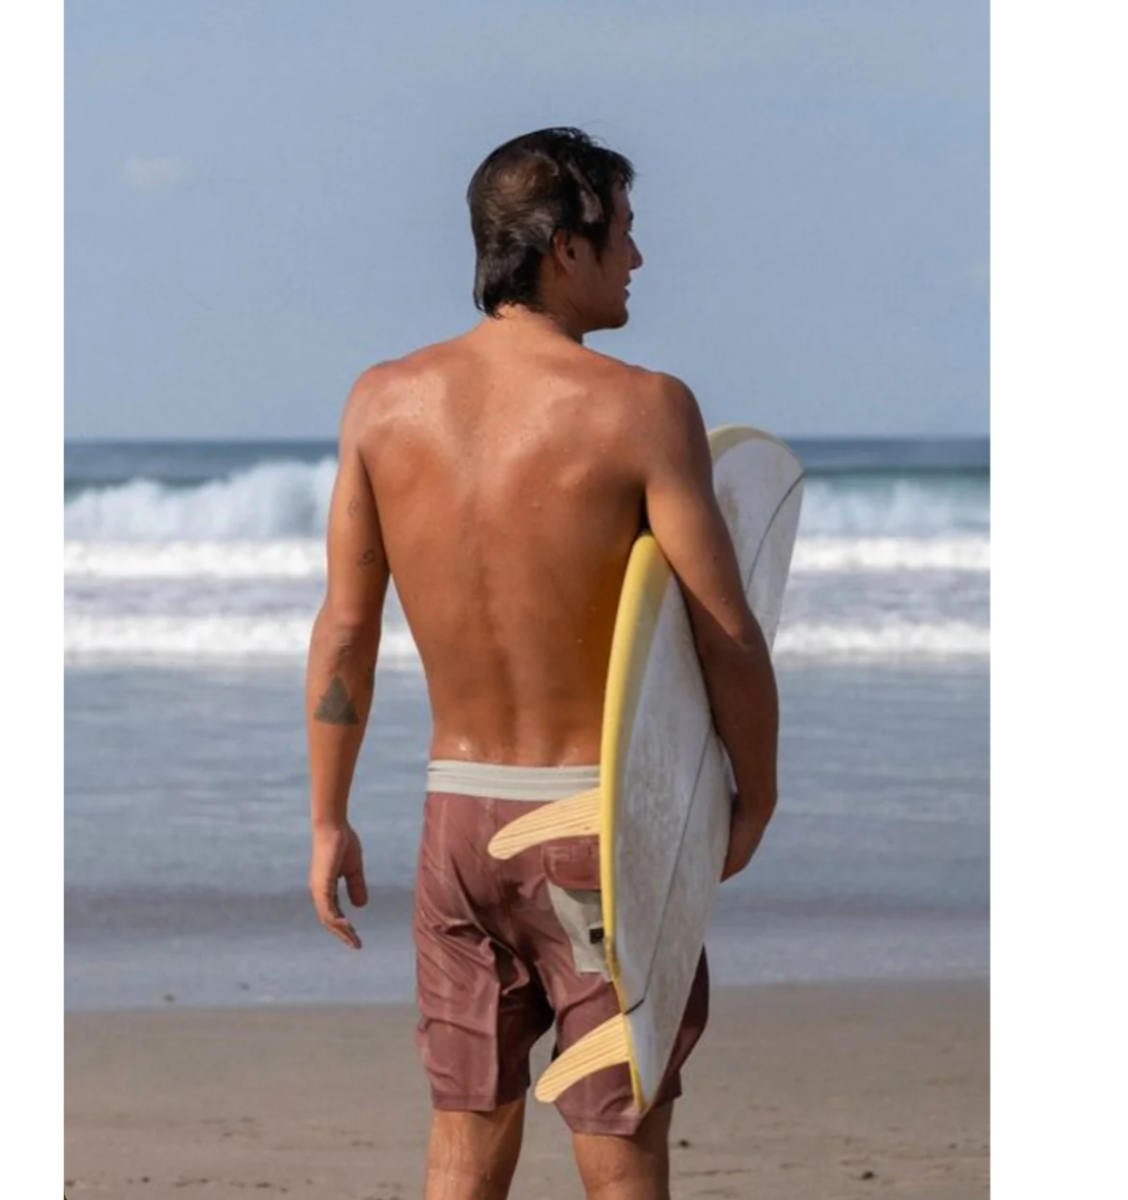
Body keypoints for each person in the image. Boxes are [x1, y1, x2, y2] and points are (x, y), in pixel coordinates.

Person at [305, 127, 780, 1200]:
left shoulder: (380, 401)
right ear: (565, 246)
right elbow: (725, 631)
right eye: (625, 232)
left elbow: (344, 631)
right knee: (619, 1146)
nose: (639, 258)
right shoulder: (642, 407)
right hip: (593, 832)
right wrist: (755, 794)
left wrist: (328, 817)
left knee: (465, 1131)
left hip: (456, 829)